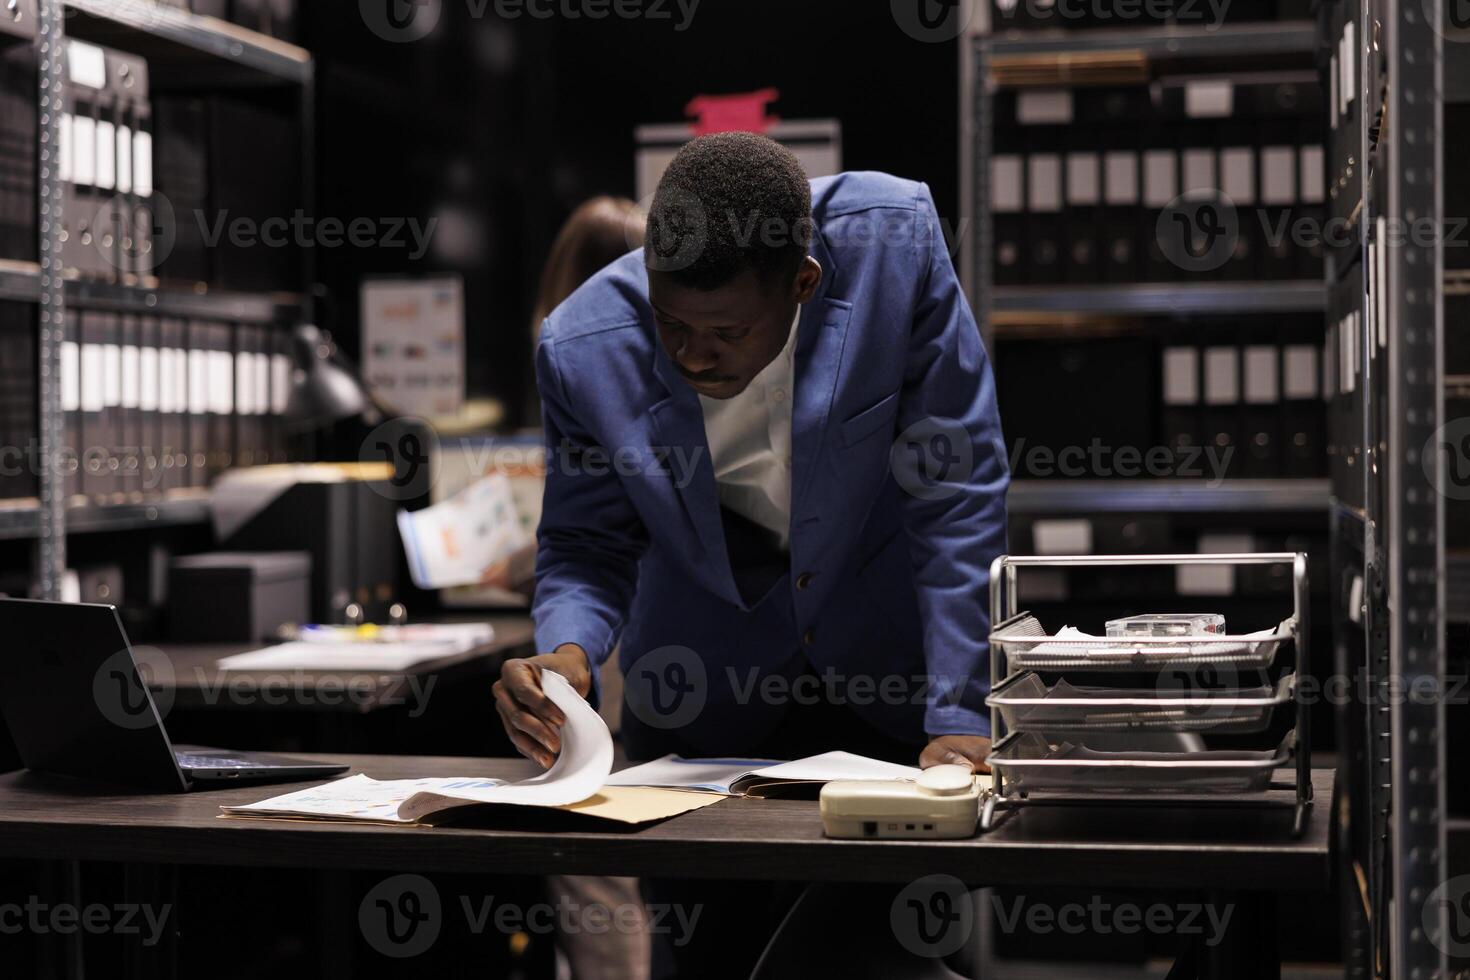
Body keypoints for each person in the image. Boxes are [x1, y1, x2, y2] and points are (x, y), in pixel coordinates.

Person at [494, 133, 1009, 977]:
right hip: (699, 708)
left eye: (725, 330)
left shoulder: (894, 249)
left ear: (803, 284)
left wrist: (960, 716)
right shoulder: (581, 349)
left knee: (879, 958)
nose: (693, 354)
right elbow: (587, 542)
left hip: (890, 700)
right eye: (671, 325)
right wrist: (568, 651)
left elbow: (954, 497)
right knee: (705, 962)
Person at [494, 195, 650, 980]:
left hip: (606, 647)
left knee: (590, 852)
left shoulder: (576, 347)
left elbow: (588, 536)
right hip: (645, 646)